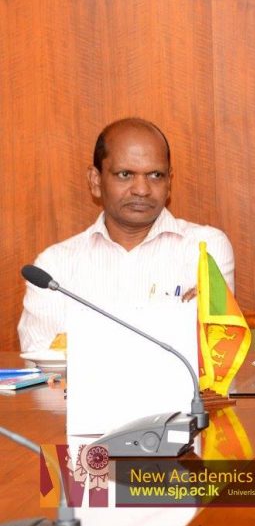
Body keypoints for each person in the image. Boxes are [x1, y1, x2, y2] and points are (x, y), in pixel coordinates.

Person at [18, 118, 234, 352]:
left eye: (155, 175)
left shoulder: (204, 248)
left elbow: (215, 347)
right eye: (125, 174)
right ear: (95, 180)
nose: (142, 189)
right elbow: (40, 356)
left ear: (170, 182)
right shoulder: (54, 267)